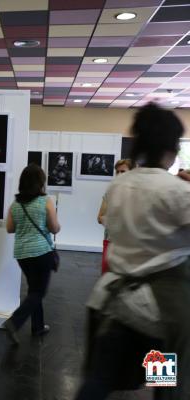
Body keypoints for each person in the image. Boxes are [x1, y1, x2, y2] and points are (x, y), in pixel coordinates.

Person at [76, 103, 190, 400]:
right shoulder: (176, 191)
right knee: (164, 384)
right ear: (170, 147)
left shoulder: (120, 184)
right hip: (160, 311)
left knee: (99, 379)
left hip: (116, 302)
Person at [3, 164, 61, 344]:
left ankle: (38, 326)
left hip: (22, 254)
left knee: (34, 289)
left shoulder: (16, 203)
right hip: (41, 253)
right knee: (39, 291)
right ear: (40, 182)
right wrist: (57, 226)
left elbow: (10, 229)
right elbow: (54, 227)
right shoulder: (46, 201)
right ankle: (14, 322)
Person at [96, 159, 134, 274]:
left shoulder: (138, 193)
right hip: (110, 241)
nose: (119, 175)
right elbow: (100, 217)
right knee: (106, 274)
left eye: (123, 172)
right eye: (117, 172)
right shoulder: (110, 193)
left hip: (130, 245)